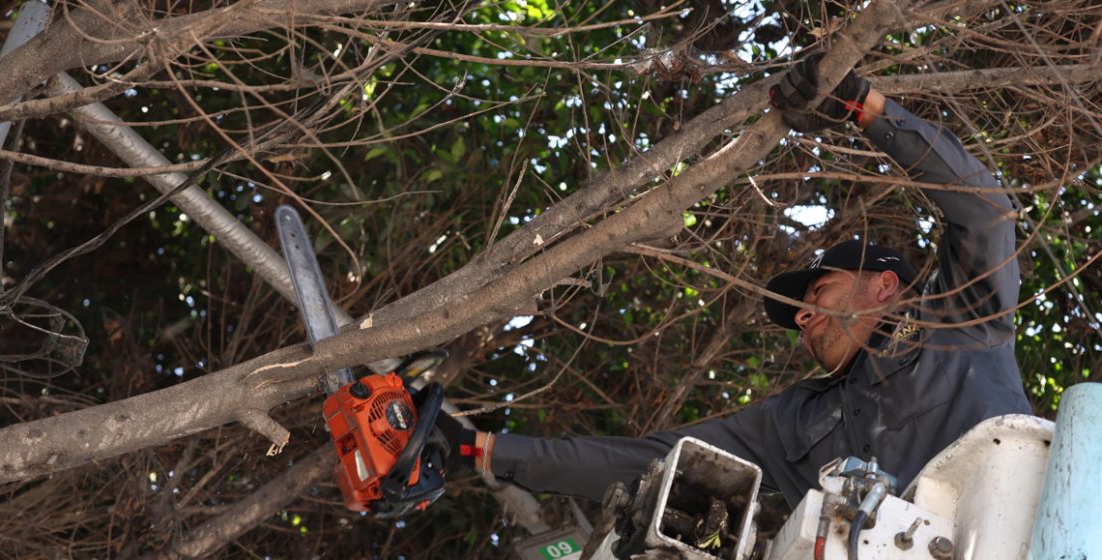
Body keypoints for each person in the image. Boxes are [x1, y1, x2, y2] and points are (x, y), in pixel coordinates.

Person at [436, 53, 1033, 506]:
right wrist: (480, 450)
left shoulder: (958, 322)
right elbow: (656, 461)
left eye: (819, 295)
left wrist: (863, 107)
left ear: (883, 286)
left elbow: (984, 209)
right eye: (800, 311)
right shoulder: (793, 424)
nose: (802, 318)